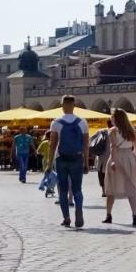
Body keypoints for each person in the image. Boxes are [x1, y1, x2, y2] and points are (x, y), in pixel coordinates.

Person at [48, 95, 90, 228]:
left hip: (61, 159)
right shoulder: (82, 122)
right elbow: (86, 144)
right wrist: (86, 162)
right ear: (74, 106)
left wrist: (49, 164)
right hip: (77, 158)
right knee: (77, 189)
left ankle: (66, 218)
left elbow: (52, 144)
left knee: (63, 190)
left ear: (62, 106)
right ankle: (79, 210)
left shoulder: (56, 122)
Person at [101, 109, 136, 226]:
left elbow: (113, 148)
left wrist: (112, 162)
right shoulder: (131, 130)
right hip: (130, 158)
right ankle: (135, 215)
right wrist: (135, 156)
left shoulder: (113, 131)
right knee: (131, 187)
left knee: (111, 188)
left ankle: (108, 215)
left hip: (117, 158)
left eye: (112, 116)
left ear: (116, 118)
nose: (111, 118)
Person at [37, 131, 56, 197]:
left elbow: (38, 151)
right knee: (54, 176)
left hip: (45, 161)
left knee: (47, 175)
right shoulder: (56, 143)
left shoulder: (44, 143)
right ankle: (49, 188)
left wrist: (44, 154)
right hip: (54, 161)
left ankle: (47, 188)